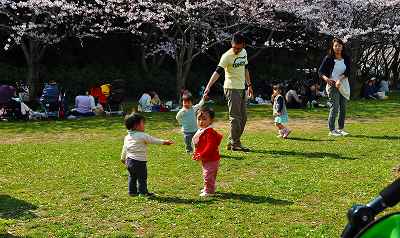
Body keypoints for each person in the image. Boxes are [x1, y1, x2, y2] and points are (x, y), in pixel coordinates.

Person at [203, 32, 253, 152]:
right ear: (231, 44)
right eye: (234, 47)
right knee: (235, 118)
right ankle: (235, 143)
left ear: (243, 45)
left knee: (244, 118)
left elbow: (245, 69)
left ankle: (232, 140)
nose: (236, 50)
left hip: (242, 88)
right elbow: (217, 72)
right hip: (231, 88)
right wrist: (208, 86)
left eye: (239, 48)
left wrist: (249, 85)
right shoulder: (227, 56)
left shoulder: (244, 53)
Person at [120, 113, 174, 197]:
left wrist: (123, 158)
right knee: (142, 178)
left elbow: (125, 148)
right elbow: (153, 140)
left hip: (129, 161)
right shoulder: (143, 136)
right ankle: (143, 192)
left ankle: (132, 192)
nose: (144, 125)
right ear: (136, 126)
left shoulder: (127, 137)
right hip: (139, 162)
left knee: (132, 176)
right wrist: (164, 142)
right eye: (142, 123)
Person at [318, 38, 351, 137]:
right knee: (335, 107)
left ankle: (341, 129)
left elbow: (348, 72)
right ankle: (332, 130)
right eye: (336, 45)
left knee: (343, 108)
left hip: (343, 84)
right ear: (332, 47)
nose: (338, 47)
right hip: (332, 85)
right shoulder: (328, 58)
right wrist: (327, 79)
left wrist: (339, 80)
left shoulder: (346, 58)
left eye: (339, 46)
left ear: (342, 47)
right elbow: (320, 71)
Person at [192, 107, 223, 197]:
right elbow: (199, 144)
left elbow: (210, 146)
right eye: (199, 119)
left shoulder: (209, 132)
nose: (201, 122)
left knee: (208, 174)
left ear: (211, 120)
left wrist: (201, 154)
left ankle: (209, 191)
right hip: (207, 158)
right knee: (209, 174)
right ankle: (209, 187)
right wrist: (197, 153)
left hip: (211, 158)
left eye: (204, 119)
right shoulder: (203, 131)